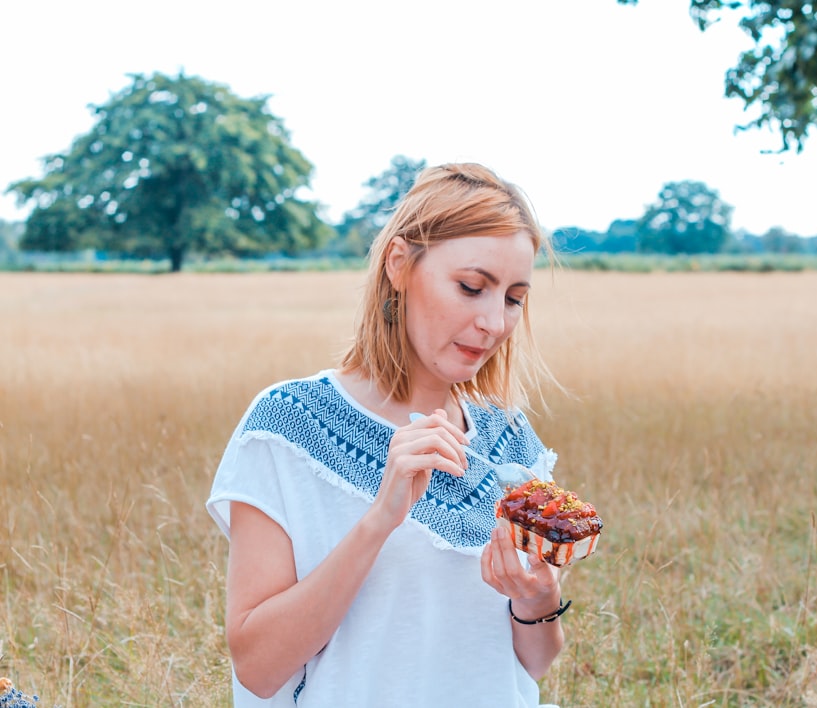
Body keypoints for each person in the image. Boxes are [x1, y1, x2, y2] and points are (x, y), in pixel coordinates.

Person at [206, 163, 569, 707]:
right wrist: (380, 518)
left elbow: (533, 662)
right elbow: (258, 667)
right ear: (399, 264)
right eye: (472, 287)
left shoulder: (511, 441)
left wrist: (539, 598)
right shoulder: (287, 425)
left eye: (514, 298)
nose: (495, 322)